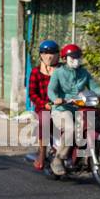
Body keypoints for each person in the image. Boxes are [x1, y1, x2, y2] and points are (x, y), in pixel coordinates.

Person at [47, 44, 100, 176]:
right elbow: (51, 90)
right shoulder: (58, 73)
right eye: (72, 57)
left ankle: (85, 155)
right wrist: (56, 98)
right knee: (71, 129)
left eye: (78, 57)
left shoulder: (84, 73)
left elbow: (94, 87)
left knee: (90, 127)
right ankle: (58, 158)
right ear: (65, 58)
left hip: (80, 108)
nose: (76, 60)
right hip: (62, 108)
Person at [28, 40, 59, 171]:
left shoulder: (62, 70)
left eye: (52, 53)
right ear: (40, 55)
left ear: (57, 54)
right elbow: (32, 94)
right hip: (43, 107)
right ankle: (41, 154)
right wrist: (44, 104)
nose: (49, 56)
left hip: (61, 105)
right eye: (45, 53)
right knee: (45, 121)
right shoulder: (36, 72)